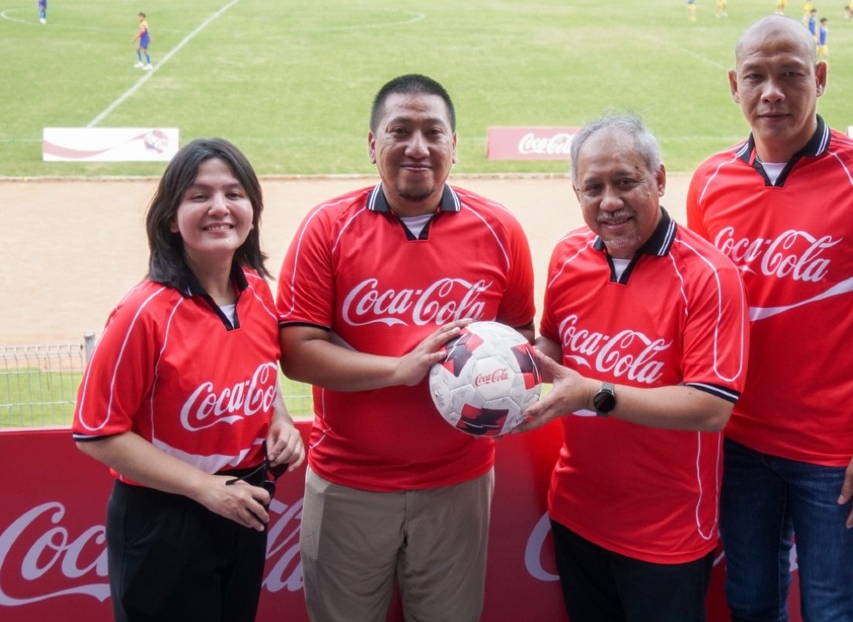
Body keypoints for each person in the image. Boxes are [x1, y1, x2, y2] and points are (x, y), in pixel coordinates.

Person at [687, 15, 853, 622]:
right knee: (750, 601)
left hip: (837, 454)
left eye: (791, 75)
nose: (773, 92)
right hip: (739, 442)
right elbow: (699, 309)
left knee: (831, 609)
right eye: (756, 77)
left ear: (819, 79)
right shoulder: (710, 181)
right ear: (733, 86)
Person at [277, 73, 535, 622]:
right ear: (373, 145)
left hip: (458, 484)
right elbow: (296, 351)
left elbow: (520, 343)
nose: (417, 148)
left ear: (454, 146)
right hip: (348, 483)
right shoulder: (326, 229)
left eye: (433, 133)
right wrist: (398, 370)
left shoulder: (500, 231)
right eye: (400, 131)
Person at [513, 112, 749, 622]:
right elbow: (554, 342)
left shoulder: (709, 276)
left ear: (659, 180)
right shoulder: (568, 257)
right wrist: (502, 375)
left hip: (666, 535)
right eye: (592, 188)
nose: (610, 202)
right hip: (577, 514)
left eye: (625, 182)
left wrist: (595, 393)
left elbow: (711, 407)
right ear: (576, 192)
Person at [73, 137, 306, 622]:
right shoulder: (143, 312)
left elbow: (256, 370)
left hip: (244, 504)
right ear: (169, 217)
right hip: (164, 518)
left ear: (253, 209)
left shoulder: (260, 294)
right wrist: (205, 488)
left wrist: (278, 420)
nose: (219, 207)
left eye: (233, 194)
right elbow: (97, 433)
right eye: (199, 196)